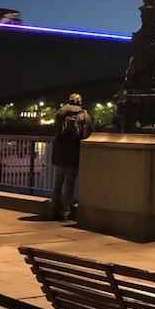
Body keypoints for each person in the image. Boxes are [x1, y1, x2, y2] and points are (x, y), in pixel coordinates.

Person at [50, 92, 94, 220]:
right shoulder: (84, 114)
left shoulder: (60, 113)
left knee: (58, 182)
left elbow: (56, 131)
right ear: (80, 102)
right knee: (70, 182)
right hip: (75, 152)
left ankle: (54, 209)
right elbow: (90, 132)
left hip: (60, 152)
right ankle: (66, 210)